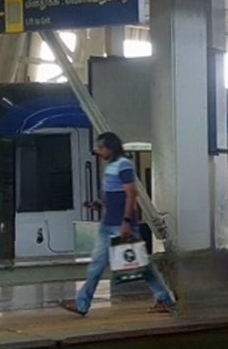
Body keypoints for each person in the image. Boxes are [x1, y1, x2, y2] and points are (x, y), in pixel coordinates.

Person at [60, 132, 176, 316]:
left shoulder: (124, 165)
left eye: (101, 148)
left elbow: (131, 194)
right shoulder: (112, 166)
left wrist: (126, 222)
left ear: (110, 148)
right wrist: (101, 203)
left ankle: (165, 299)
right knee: (105, 265)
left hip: (120, 225)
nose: (98, 151)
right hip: (109, 224)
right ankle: (82, 304)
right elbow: (116, 196)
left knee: (140, 265)